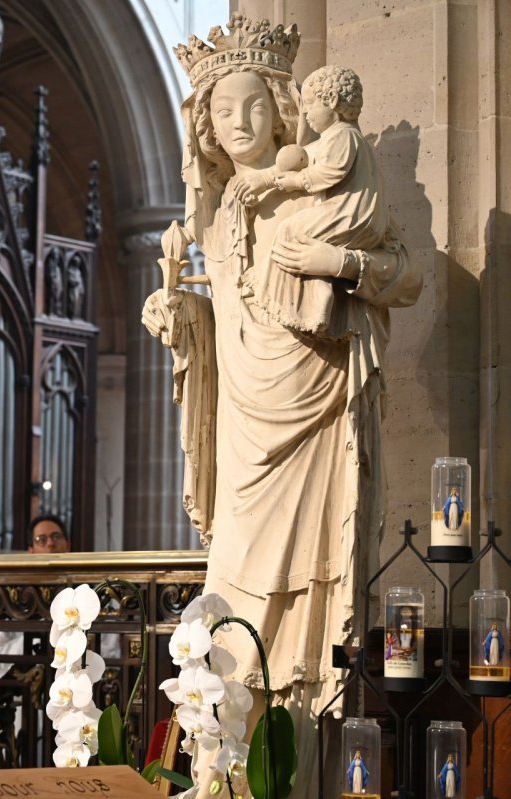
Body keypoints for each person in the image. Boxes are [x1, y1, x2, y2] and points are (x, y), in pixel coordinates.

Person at [150, 15, 420, 797]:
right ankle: (224, 775)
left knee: (305, 621)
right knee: (230, 605)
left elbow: (404, 274)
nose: (238, 122)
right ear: (204, 124)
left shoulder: (327, 187)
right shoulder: (217, 213)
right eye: (222, 110)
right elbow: (222, 321)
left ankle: (290, 779)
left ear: (280, 106)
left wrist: (335, 262)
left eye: (252, 106)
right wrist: (181, 320)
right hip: (245, 431)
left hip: (317, 410)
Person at [240, 65, 385, 339]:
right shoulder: (336, 139)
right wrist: (267, 179)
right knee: (299, 240)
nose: (304, 114)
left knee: (290, 231)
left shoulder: (342, 136)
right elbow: (303, 159)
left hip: (349, 213)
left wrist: (296, 182)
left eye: (308, 105)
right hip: (349, 215)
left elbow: (327, 170)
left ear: (331, 101)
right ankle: (314, 309)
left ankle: (274, 297)